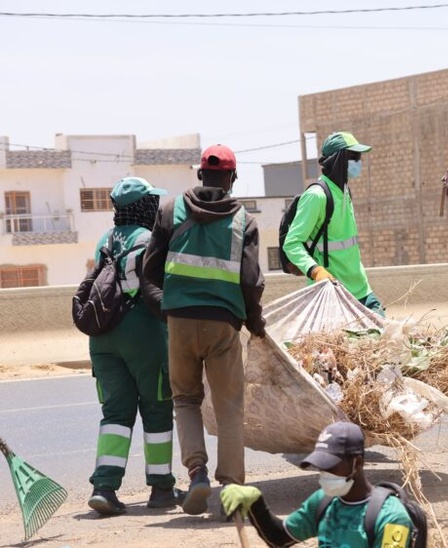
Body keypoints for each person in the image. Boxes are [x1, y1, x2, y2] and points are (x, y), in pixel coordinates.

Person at [143, 144, 266, 515]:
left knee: (185, 400)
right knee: (229, 406)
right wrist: (255, 322)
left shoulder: (170, 211)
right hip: (223, 323)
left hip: (179, 320)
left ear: (200, 174)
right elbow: (250, 281)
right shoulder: (244, 220)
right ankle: (231, 488)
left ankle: (197, 474)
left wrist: (167, 310)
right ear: (233, 178)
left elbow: (149, 272)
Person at [86, 176, 183, 515]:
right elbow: (161, 287)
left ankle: (104, 487)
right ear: (145, 206)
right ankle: (161, 488)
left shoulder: (104, 239)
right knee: (157, 408)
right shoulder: (151, 239)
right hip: (143, 332)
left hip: (102, 336)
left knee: (115, 414)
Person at [220, 422, 413, 547]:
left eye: (331, 467)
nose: (325, 474)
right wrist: (256, 503)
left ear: (358, 462)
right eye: (321, 467)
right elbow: (279, 537)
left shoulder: (391, 518)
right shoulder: (324, 501)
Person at [283, 131, 385, 315]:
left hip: (361, 288)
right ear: (339, 159)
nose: (359, 162)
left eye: (359, 157)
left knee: (384, 334)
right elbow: (292, 243)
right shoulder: (316, 196)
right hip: (332, 293)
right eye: (354, 157)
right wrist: (315, 271)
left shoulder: (345, 192)